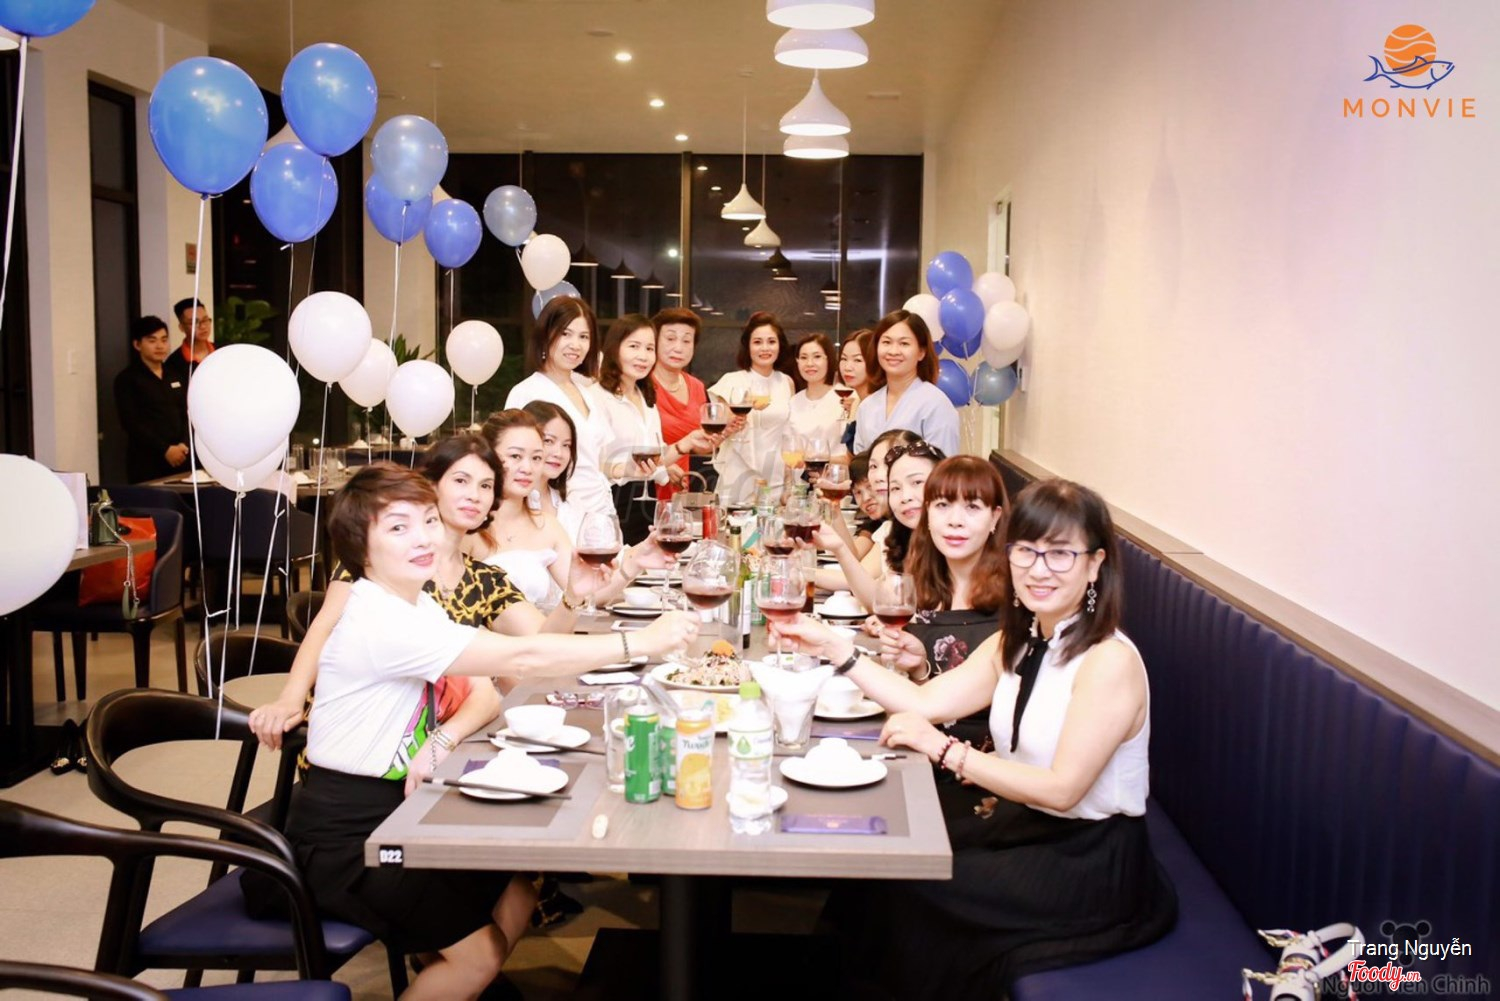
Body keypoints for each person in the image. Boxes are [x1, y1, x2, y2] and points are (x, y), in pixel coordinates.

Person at [255, 463, 696, 1000]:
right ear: (360, 548)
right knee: (479, 953)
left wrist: (572, 601)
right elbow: (523, 658)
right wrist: (640, 643)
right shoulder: (382, 620)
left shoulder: (415, 604)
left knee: (518, 893)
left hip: (397, 808)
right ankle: (462, 977)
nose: (423, 538)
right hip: (347, 836)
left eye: (427, 521)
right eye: (398, 527)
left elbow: (492, 683)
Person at [771, 478, 1176, 996]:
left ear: (1095, 564)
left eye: (1060, 554)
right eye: (1025, 551)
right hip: (1026, 825)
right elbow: (924, 702)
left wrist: (944, 749)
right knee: (879, 863)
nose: (1038, 569)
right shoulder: (1019, 639)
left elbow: (1062, 789)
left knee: (913, 892)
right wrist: (831, 645)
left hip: (1088, 863)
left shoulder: (1108, 661)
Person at [596, 315, 714, 543]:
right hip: (611, 504)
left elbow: (655, 459)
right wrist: (625, 469)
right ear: (614, 348)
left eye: (649, 348)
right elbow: (589, 464)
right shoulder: (598, 397)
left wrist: (685, 444)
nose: (643, 356)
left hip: (647, 503)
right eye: (634, 346)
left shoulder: (645, 397)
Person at [503, 297, 614, 523]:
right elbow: (512, 461)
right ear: (546, 335)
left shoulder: (587, 393)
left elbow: (594, 461)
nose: (576, 345)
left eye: (584, 337)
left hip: (600, 509)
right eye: (566, 334)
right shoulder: (526, 392)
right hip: (553, 512)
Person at [707, 311, 796, 504]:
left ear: (780, 345)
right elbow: (718, 432)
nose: (765, 348)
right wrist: (734, 420)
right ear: (747, 346)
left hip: (775, 476)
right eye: (757, 342)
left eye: (771, 341)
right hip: (738, 473)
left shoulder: (786, 382)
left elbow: (788, 436)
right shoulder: (731, 381)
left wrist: (790, 484)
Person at [852, 310, 960, 457]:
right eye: (886, 342)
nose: (893, 351)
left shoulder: (936, 404)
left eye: (904, 343)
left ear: (921, 352)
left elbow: (943, 466)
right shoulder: (867, 406)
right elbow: (860, 464)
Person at [649, 307, 726, 501]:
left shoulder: (697, 386)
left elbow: (697, 446)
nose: (678, 348)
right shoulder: (642, 385)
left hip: (684, 488)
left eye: (686, 341)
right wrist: (661, 467)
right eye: (670, 338)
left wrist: (716, 439)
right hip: (646, 489)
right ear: (655, 341)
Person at [114, 315, 191, 482]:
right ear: (137, 344)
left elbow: (187, 413)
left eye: (164, 340)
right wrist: (165, 449)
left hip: (181, 456)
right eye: (152, 340)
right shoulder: (127, 379)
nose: (160, 346)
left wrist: (184, 444)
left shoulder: (175, 375)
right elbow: (131, 423)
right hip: (147, 461)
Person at [788, 332, 845, 443]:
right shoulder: (794, 401)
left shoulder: (845, 396)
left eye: (817, 357)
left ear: (829, 359)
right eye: (803, 357)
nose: (809, 363)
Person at [836, 330, 873, 451]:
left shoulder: (878, 405)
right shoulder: (857, 402)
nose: (847, 367)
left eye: (857, 360)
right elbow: (850, 457)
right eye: (844, 359)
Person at [164, 297, 214, 382]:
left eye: (205, 320)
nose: (202, 326)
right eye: (194, 322)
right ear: (181, 327)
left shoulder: (221, 351)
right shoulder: (174, 363)